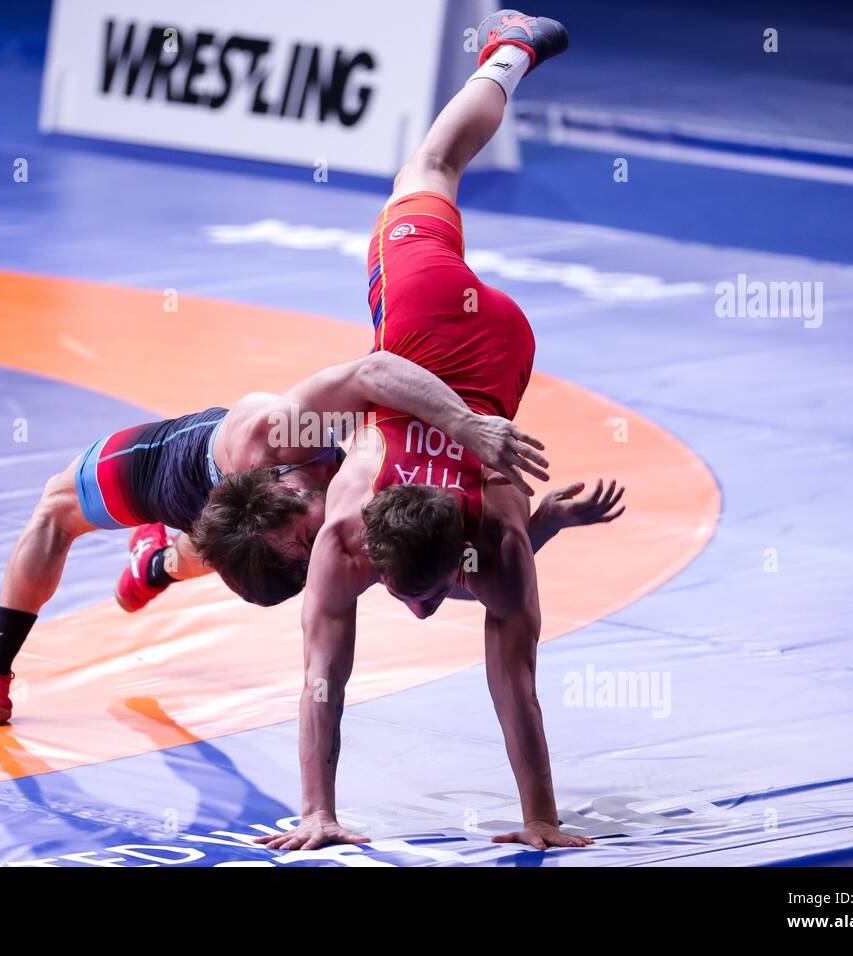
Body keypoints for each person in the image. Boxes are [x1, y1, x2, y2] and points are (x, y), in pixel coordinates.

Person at [229, 11, 623, 852]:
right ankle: (506, 52)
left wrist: (542, 820)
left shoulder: (479, 540)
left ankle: (510, 47)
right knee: (430, 168)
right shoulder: (371, 532)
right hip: (467, 340)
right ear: (373, 549)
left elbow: (512, 687)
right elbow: (328, 682)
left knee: (430, 167)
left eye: (433, 592)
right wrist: (316, 812)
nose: (421, 611)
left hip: (475, 336)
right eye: (428, 597)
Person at [0, 348, 548, 725]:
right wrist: (468, 430)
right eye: (315, 539)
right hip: (192, 479)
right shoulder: (287, 440)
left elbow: (427, 584)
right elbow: (374, 372)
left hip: (187, 491)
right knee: (59, 509)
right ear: (287, 492)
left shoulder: (328, 513)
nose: (329, 539)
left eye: (312, 543)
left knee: (66, 512)